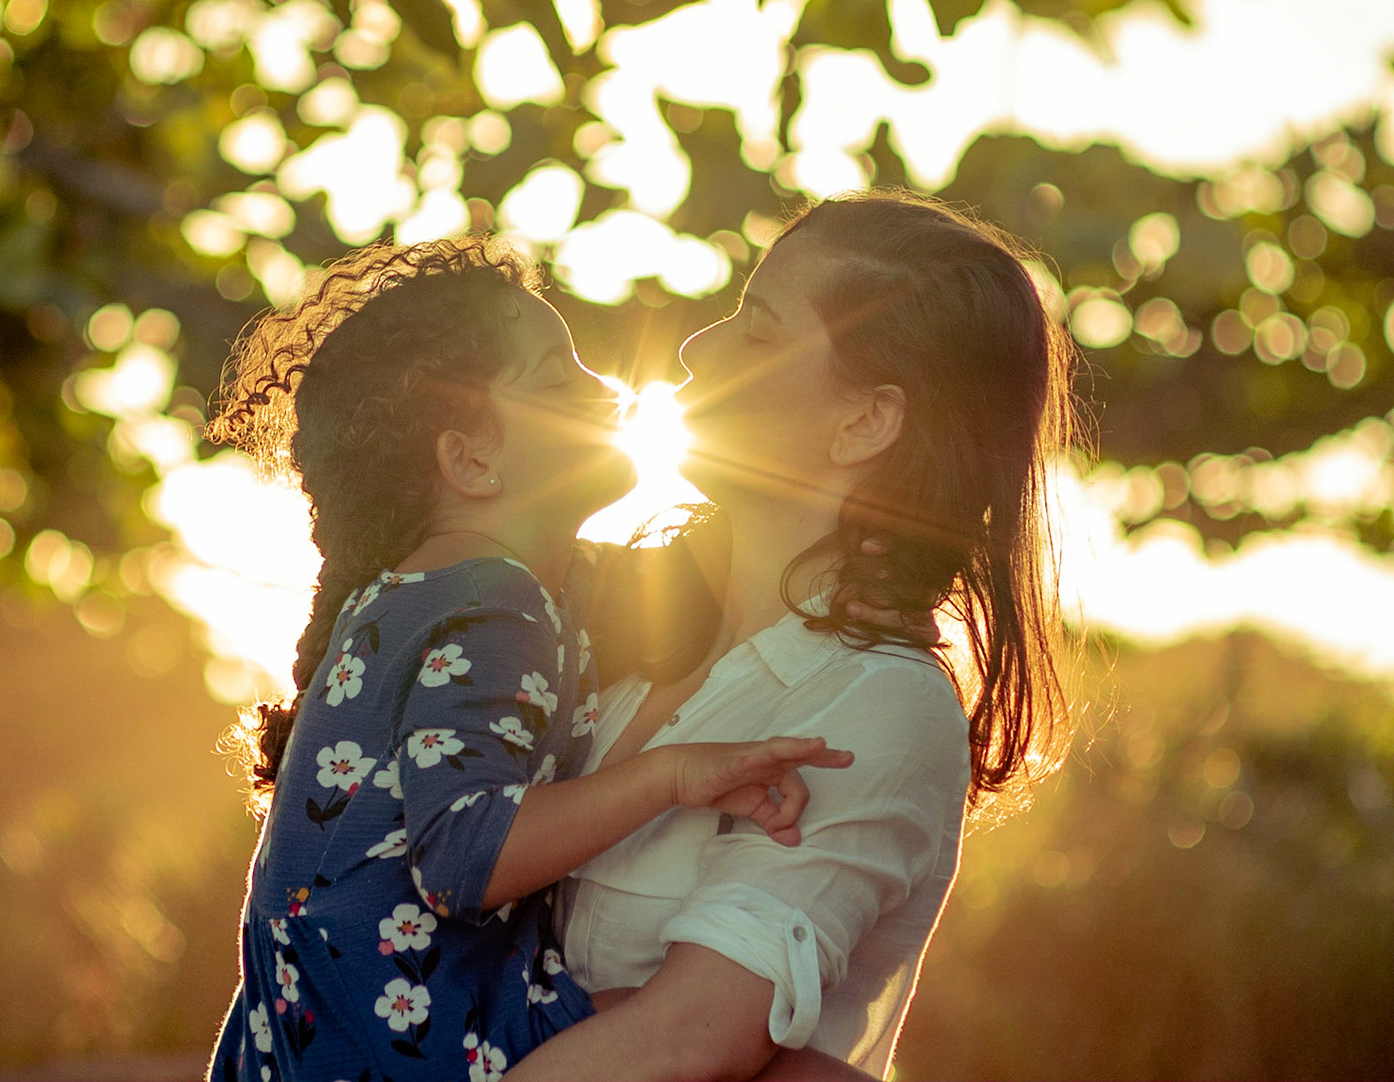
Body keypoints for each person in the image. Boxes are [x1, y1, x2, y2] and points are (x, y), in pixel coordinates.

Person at [202, 237, 855, 1082]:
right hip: (404, 1038)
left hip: (332, 1039)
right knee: (775, 1057)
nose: (609, 388)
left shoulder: (465, 588)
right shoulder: (490, 603)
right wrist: (674, 774)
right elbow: (463, 856)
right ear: (471, 459)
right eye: (558, 380)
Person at [510, 189, 1079, 1081]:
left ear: (864, 422)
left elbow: (688, 1039)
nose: (698, 347)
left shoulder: (876, 705)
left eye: (758, 329)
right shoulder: (609, 622)